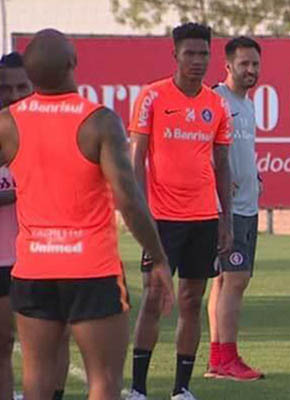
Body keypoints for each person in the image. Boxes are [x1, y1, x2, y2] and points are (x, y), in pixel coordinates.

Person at [0, 29, 174, 400]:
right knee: (104, 379)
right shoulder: (99, 121)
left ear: (31, 74)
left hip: (34, 269)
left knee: (36, 379)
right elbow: (128, 199)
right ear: (72, 63)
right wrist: (158, 257)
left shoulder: (8, 123)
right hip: (91, 269)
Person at [126, 22, 234, 400]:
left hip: (203, 218)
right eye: (190, 53)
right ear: (175, 55)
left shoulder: (216, 103)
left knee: (191, 301)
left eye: (204, 53)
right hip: (161, 219)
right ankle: (138, 388)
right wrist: (141, 213)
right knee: (154, 299)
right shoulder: (152, 97)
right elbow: (136, 159)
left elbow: (223, 163)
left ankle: (181, 388)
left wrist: (226, 219)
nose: (197, 61)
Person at [0, 51, 71, 400]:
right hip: (4, 256)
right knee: (3, 343)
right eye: (6, 88)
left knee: (56, 340)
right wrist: (19, 192)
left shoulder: (57, 128)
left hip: (47, 253)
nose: (14, 95)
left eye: (22, 87)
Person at [204, 36, 264, 381]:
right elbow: (203, 150)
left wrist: (254, 176)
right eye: (244, 64)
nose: (250, 70)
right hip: (227, 210)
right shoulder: (216, 100)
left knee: (225, 281)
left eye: (255, 63)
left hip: (247, 206)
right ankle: (227, 358)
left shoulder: (247, 103)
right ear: (228, 66)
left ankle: (218, 358)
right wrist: (219, 189)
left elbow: (238, 152)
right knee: (236, 280)